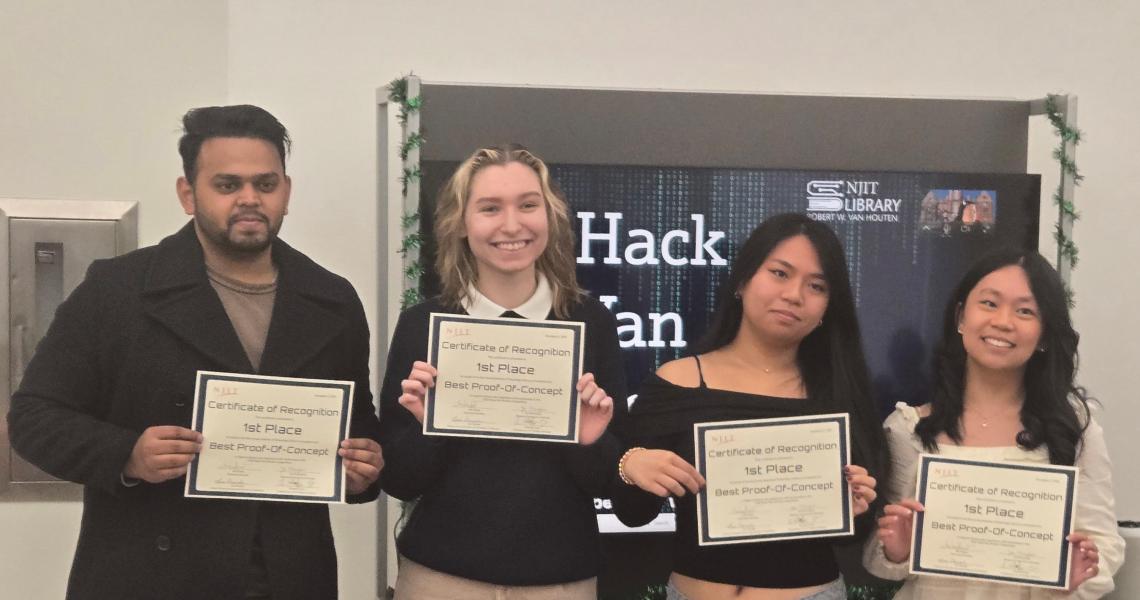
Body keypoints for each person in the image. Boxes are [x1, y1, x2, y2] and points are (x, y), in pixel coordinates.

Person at [7, 104, 384, 600]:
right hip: (150, 576)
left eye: (265, 185)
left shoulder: (332, 299)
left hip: (289, 575)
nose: (249, 199)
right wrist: (128, 454)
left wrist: (366, 467)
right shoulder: (117, 290)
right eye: (227, 185)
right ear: (188, 194)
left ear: (286, 193)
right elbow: (33, 417)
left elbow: (359, 425)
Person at [378, 144, 626, 599]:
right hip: (440, 580)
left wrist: (588, 441)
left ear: (549, 216)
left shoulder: (591, 323)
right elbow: (397, 480)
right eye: (490, 208)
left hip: (562, 582)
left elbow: (617, 481)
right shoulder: (423, 325)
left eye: (528, 205)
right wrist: (430, 426)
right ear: (461, 223)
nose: (512, 225)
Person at [612, 213, 887, 600]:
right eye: (779, 273)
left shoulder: (839, 393)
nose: (794, 294)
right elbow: (632, 512)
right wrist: (630, 465)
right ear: (743, 280)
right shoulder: (677, 382)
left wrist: (856, 506)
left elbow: (854, 532)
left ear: (828, 305)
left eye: (817, 286)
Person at [863, 249, 1125, 598]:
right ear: (960, 316)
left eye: (1025, 311)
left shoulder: (1075, 428)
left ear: (1045, 333)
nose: (1003, 321)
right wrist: (899, 549)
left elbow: (1104, 542)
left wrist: (1076, 576)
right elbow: (881, 557)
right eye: (989, 303)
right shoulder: (907, 429)